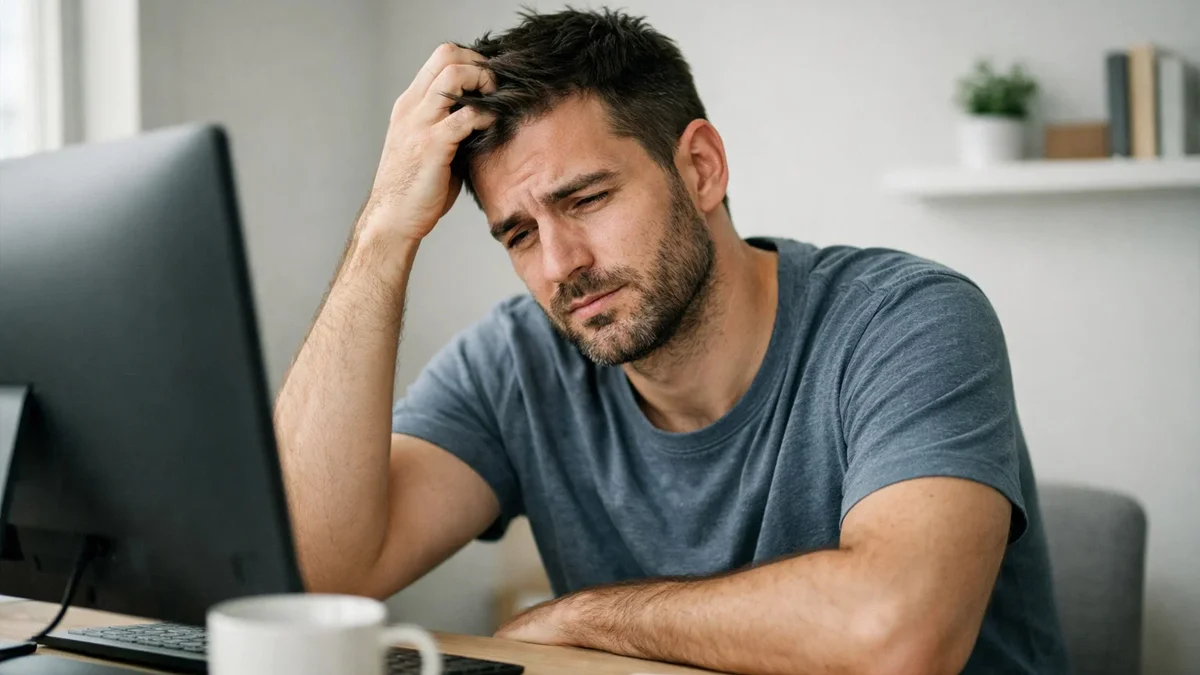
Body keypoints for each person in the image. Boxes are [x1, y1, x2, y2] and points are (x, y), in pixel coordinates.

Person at [272, 8, 1069, 674]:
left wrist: (581, 618)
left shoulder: (906, 320)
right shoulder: (515, 361)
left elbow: (897, 634)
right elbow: (310, 574)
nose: (559, 264)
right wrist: (383, 231)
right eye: (518, 233)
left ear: (701, 167)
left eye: (586, 199)